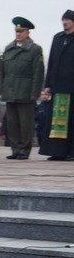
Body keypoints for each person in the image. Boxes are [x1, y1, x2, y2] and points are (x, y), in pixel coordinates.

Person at [0, 17, 44, 160]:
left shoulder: (34, 49)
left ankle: (24, 150)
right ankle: (15, 150)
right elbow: (3, 73)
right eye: (16, 31)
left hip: (25, 92)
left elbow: (38, 73)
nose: (18, 34)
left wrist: (35, 92)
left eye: (21, 31)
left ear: (28, 32)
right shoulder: (8, 49)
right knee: (12, 123)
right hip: (10, 92)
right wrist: (1, 91)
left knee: (26, 124)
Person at [39, 10, 74, 161]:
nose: (64, 22)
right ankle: (57, 151)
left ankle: (71, 152)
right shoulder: (57, 38)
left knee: (71, 122)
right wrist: (47, 85)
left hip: (72, 87)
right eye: (63, 19)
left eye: (67, 20)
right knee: (56, 122)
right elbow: (52, 61)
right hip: (58, 86)